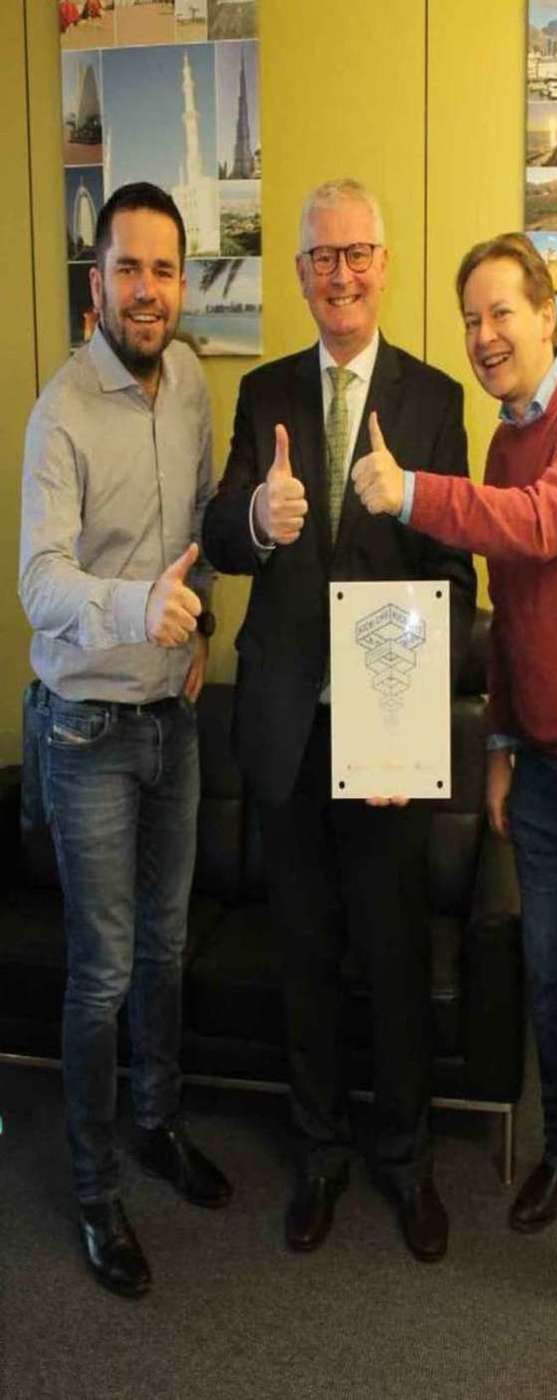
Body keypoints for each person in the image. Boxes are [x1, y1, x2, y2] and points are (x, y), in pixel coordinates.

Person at [351, 231, 557, 1342]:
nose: (484, 336)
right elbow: (514, 614)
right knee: (549, 987)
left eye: (501, 312)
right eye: (470, 319)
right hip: (539, 772)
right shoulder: (500, 443)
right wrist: (497, 743)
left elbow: (540, 525)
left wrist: (409, 493)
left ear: (548, 313)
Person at [202, 179, 476, 1261]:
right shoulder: (263, 391)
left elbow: (453, 574)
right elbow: (222, 534)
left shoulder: (432, 400)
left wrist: (407, 722)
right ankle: (317, 1153)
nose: (341, 274)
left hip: (387, 736)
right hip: (286, 732)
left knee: (394, 955)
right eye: (322, 257)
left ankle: (403, 1159)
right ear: (300, 272)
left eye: (357, 253)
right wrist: (257, 519)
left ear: (384, 264)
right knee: (305, 955)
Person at [19, 181, 231, 1300]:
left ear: (180, 283)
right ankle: (96, 1188)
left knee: (166, 949)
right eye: (127, 268)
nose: (147, 290)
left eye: (163, 270)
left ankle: (157, 1123)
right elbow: (40, 581)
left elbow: (199, 525)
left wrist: (203, 626)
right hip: (89, 727)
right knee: (101, 973)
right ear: (94, 281)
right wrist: (135, 607)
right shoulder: (61, 410)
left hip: (171, 723)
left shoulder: (190, 379)